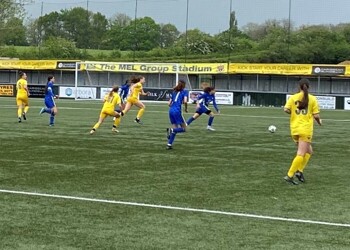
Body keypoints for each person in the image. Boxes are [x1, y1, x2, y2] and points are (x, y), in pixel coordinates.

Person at [283, 78, 322, 185]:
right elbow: (316, 115)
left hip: (294, 129)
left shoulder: (293, 97)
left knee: (309, 152)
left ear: (299, 86)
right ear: (308, 87)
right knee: (301, 153)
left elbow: (286, 109)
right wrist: (319, 122)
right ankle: (290, 175)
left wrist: (293, 113)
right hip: (305, 129)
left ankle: (299, 171)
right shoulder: (312, 99)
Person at [166, 80, 188, 150]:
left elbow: (169, 104)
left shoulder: (174, 92)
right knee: (184, 129)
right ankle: (171, 130)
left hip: (171, 111)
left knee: (175, 128)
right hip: (177, 111)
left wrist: (173, 106)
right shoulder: (184, 92)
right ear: (184, 85)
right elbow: (185, 101)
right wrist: (186, 108)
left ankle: (169, 144)